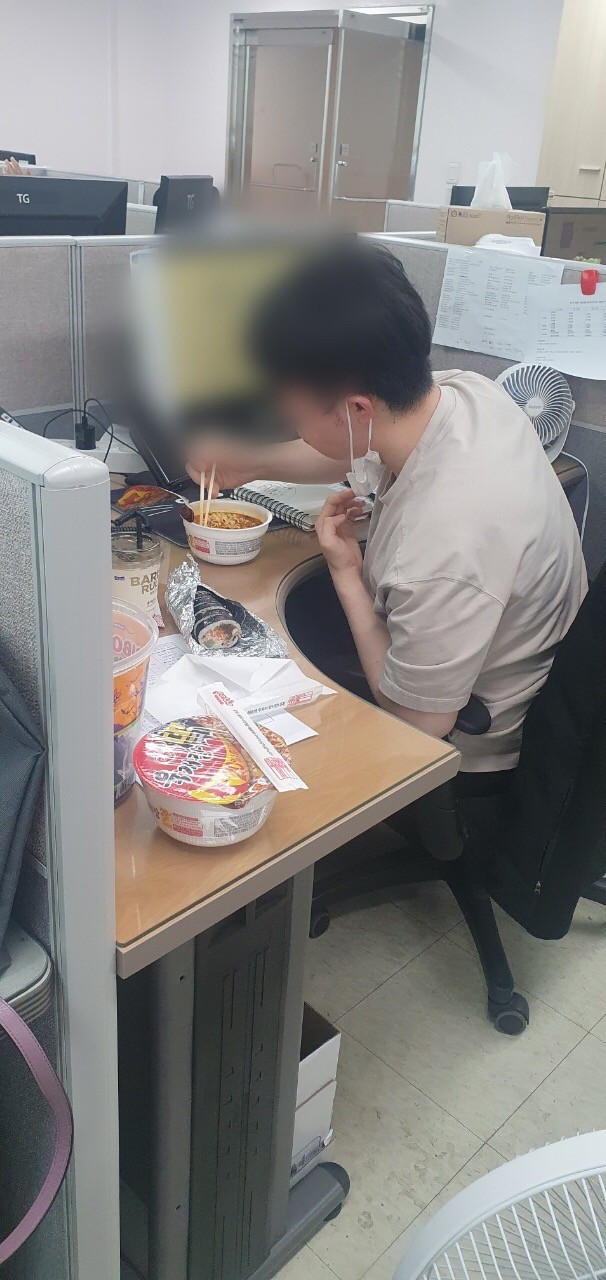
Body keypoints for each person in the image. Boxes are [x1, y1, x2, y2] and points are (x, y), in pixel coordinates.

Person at [186, 242, 586, 784]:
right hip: (509, 673)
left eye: (290, 404)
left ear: (355, 408)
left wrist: (347, 575)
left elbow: (418, 725)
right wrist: (250, 463)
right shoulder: (466, 395)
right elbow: (356, 445)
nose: (281, 410)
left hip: (471, 755)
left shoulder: (445, 538)